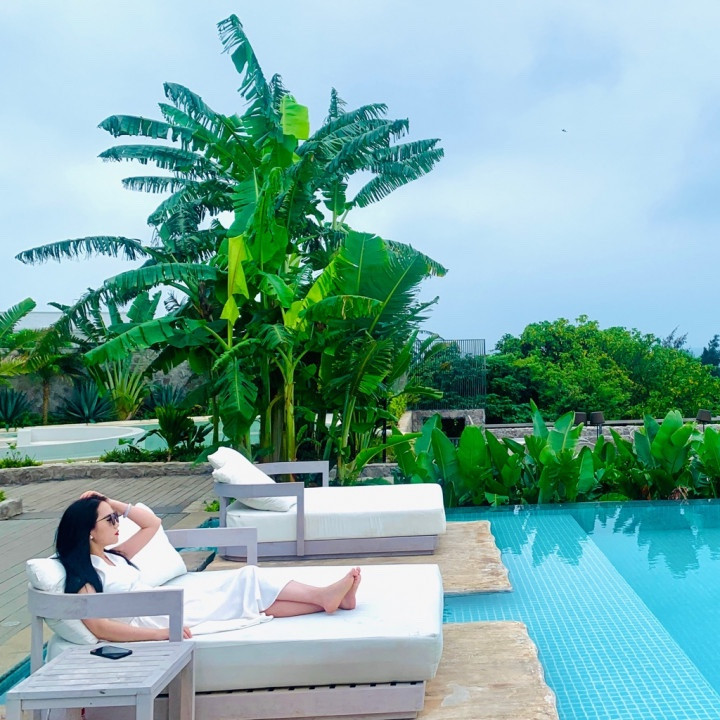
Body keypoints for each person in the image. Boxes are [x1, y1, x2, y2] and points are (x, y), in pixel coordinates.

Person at [55, 491, 361, 641]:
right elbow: (99, 627)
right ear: (89, 530)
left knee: (249, 599)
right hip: (157, 618)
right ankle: (323, 597)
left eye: (116, 517)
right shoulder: (85, 575)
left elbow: (152, 524)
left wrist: (111, 502)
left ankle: (326, 600)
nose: (117, 523)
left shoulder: (117, 555)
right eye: (110, 519)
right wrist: (161, 634)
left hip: (169, 605)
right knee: (248, 580)